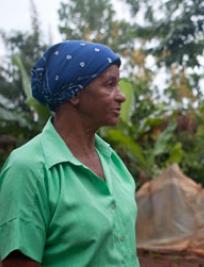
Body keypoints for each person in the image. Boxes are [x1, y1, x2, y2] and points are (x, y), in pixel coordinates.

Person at [0, 40, 139, 266]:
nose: (121, 96)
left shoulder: (112, 161)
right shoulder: (28, 169)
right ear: (74, 93)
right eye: (109, 84)